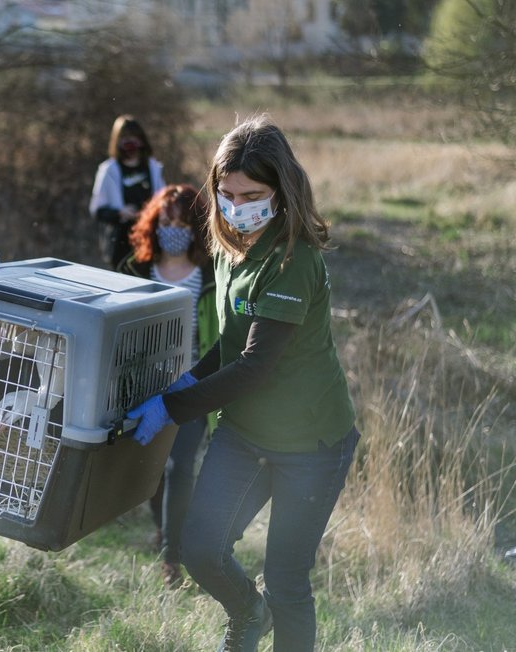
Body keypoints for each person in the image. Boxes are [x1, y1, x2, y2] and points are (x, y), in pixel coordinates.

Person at [127, 115, 359, 652]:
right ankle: (247, 612)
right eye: (226, 193)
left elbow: (256, 366)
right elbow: (230, 342)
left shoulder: (293, 258)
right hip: (247, 432)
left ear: (281, 190)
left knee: (287, 582)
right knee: (200, 548)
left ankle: (267, 614)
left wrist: (174, 406)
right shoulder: (231, 246)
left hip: (312, 443)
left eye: (251, 194)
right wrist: (184, 379)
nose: (236, 205)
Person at [116, 184, 217, 588]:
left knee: (179, 467)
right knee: (151, 469)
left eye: (181, 223)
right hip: (144, 388)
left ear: (196, 228)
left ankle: (172, 558)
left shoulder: (211, 275)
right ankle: (164, 529)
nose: (173, 230)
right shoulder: (136, 270)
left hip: (193, 384)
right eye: (166, 223)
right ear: (153, 226)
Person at [89, 114, 165, 269]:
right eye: (125, 138)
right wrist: (120, 213)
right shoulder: (109, 170)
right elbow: (97, 210)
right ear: (117, 141)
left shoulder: (153, 168)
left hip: (150, 239)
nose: (130, 143)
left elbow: (164, 200)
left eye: (134, 137)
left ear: (142, 140)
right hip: (120, 243)